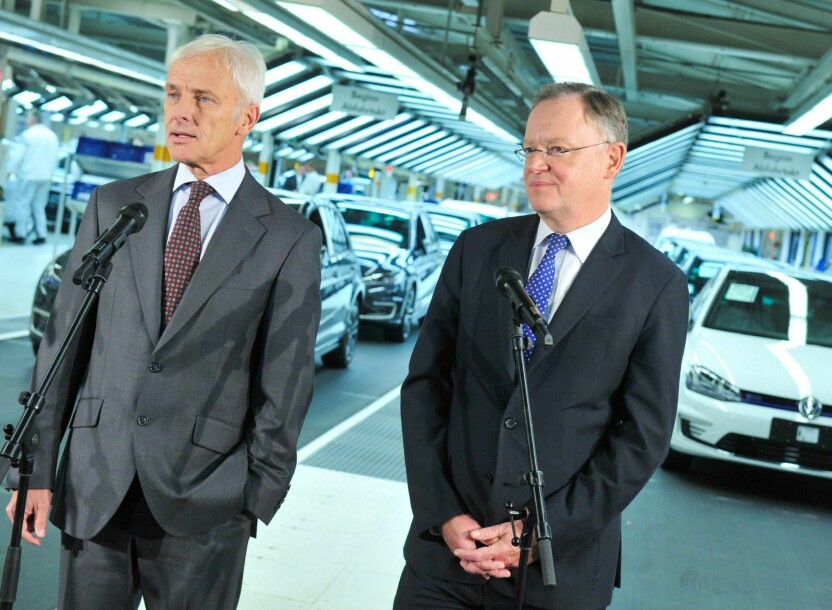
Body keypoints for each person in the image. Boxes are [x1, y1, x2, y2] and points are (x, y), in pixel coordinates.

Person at [5, 34, 321, 610]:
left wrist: (255, 496)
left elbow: (287, 378)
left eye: (203, 97)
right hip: (95, 485)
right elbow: (62, 348)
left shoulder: (286, 236)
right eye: (174, 93)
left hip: (206, 503)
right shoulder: (114, 205)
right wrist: (36, 468)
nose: (180, 110)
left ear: (247, 116)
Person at [394, 82, 689, 609]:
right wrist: (443, 514)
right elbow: (426, 386)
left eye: (557, 150)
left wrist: (536, 534)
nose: (536, 164)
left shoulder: (655, 284)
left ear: (612, 159)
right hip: (446, 560)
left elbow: (641, 437)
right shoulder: (477, 250)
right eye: (530, 149)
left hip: (559, 573)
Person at [6, 111, 59, 244]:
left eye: (28, 118)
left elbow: (18, 156)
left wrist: (9, 170)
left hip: (28, 175)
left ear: (33, 119)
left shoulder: (28, 135)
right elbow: (55, 158)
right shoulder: (51, 136)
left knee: (23, 204)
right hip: (46, 177)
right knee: (39, 206)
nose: (26, 121)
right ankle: (42, 235)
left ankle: (20, 234)